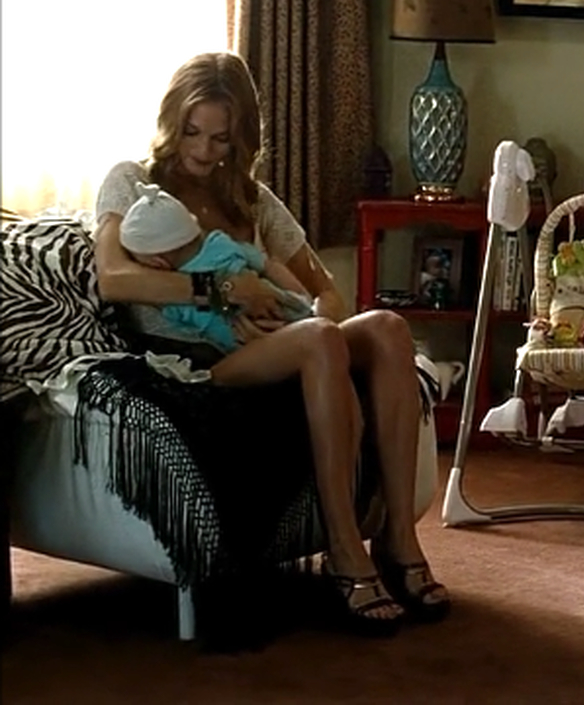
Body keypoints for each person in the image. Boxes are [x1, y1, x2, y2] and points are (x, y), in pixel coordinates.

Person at [90, 52, 450, 635]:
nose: (202, 150)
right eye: (191, 131)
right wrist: (224, 291)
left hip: (282, 339)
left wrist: (299, 316)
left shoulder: (253, 200)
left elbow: (327, 294)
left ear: (241, 139)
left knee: (387, 327)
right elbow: (114, 277)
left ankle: (399, 539)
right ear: (171, 120)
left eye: (220, 139)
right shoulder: (133, 182)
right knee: (319, 341)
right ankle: (343, 551)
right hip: (198, 357)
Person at [119, 182, 313, 354]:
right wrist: (300, 300)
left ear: (157, 263)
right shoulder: (221, 242)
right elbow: (269, 264)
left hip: (255, 344)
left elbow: (216, 335)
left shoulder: (176, 302)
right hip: (288, 309)